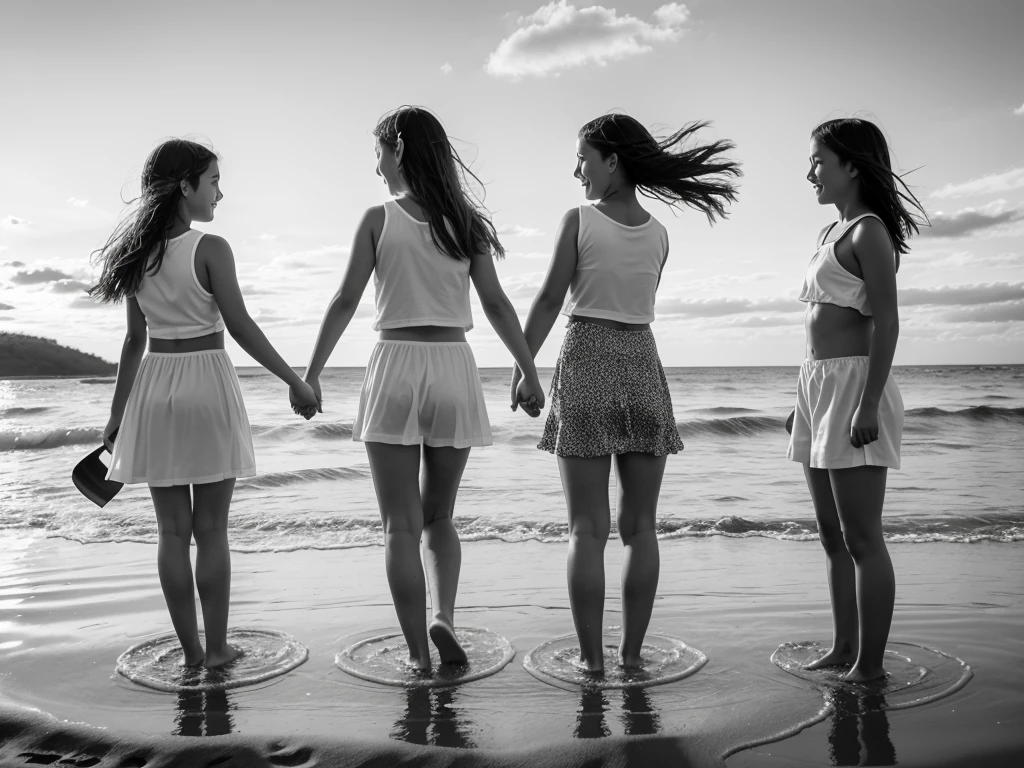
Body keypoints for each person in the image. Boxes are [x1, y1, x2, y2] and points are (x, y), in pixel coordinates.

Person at [300, 107, 544, 670]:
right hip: (454, 367)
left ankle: (417, 656)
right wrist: (529, 371)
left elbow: (343, 302)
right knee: (439, 518)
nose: (376, 166)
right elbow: (497, 304)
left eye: (379, 153)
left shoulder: (378, 219)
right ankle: (444, 618)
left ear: (400, 150)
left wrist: (310, 375)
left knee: (399, 524)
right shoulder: (466, 223)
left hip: (394, 364)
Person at [513, 114, 740, 672]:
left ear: (612, 161)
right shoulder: (660, 234)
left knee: (586, 530)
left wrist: (525, 368)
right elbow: (637, 304)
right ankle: (633, 656)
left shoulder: (580, 221)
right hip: (641, 363)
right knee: (640, 529)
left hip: (587, 354)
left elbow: (547, 302)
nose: (576, 169)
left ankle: (592, 661)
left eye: (583, 158)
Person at [91, 139, 319, 668]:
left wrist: (117, 414)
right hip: (208, 385)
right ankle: (218, 651)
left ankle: (192, 653)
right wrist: (295, 382)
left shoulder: (136, 256)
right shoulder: (211, 249)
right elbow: (239, 326)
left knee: (171, 533)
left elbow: (132, 342)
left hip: (156, 389)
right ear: (185, 186)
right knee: (212, 531)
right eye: (213, 181)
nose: (220, 192)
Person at [790, 117, 926, 682]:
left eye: (820, 160)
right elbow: (817, 325)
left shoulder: (870, 232)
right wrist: (801, 401)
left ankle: (870, 665)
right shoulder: (831, 233)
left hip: (854, 389)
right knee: (830, 536)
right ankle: (844, 647)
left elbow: (888, 325)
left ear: (851, 164)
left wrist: (868, 404)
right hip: (819, 387)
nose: (811, 172)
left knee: (863, 537)